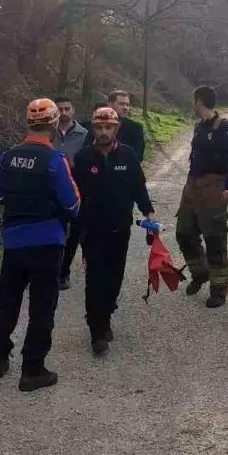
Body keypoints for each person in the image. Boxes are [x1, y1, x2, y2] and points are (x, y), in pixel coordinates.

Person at [0, 98, 81, 392]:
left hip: (14, 240)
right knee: (42, 306)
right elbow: (73, 203)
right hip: (47, 240)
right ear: (54, 124)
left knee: (8, 301)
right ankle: (32, 369)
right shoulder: (55, 160)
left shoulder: (7, 156)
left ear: (28, 123)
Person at [71, 107, 155, 354]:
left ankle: (106, 315)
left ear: (117, 128)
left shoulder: (127, 155)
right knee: (94, 277)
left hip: (121, 228)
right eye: (99, 127)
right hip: (92, 230)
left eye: (109, 127)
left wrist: (149, 213)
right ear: (93, 129)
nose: (104, 131)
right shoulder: (84, 158)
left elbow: (139, 189)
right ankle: (97, 331)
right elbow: (74, 194)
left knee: (115, 277)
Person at [177, 85, 228, 307]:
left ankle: (219, 290)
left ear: (199, 101)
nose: (192, 104)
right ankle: (200, 273)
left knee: (214, 239)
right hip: (192, 186)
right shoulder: (198, 127)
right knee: (184, 233)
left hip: (214, 187)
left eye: (194, 101)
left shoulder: (223, 127)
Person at [54, 95, 90, 292]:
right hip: (51, 191)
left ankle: (64, 272)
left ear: (73, 110)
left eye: (67, 109)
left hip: (77, 190)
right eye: (60, 109)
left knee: (74, 234)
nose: (64, 113)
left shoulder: (84, 134)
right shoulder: (49, 133)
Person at [108, 89, 146, 163]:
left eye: (127, 105)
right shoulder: (97, 126)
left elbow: (138, 157)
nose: (125, 108)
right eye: (121, 104)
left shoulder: (136, 128)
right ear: (110, 105)